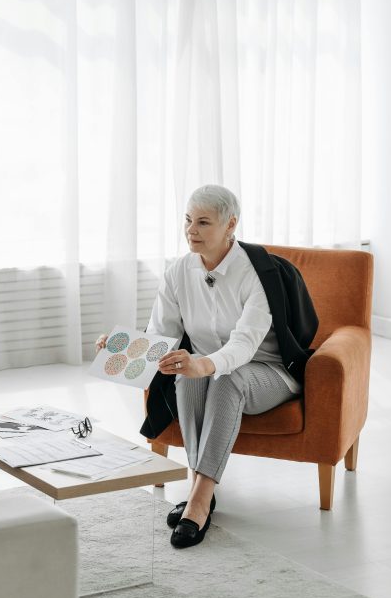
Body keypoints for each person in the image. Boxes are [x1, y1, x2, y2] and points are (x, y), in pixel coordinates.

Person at [97, 184, 317, 549]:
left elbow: (245, 343)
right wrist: (119, 347)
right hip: (207, 367)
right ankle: (203, 490)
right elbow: (161, 334)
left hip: (268, 370)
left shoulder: (258, 273)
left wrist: (206, 365)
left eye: (203, 222)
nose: (191, 231)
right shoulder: (178, 272)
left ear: (231, 224)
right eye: (187, 220)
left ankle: (199, 498)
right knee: (186, 378)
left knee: (226, 379)